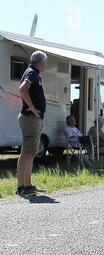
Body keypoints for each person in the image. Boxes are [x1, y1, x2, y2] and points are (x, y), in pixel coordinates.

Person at [16, 51, 48, 197]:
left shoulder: (34, 73)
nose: (46, 65)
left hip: (33, 119)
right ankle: (22, 186)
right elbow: (23, 89)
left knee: (30, 152)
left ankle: (28, 185)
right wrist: (32, 107)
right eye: (45, 62)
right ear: (39, 62)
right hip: (30, 118)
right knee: (27, 153)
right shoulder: (31, 73)